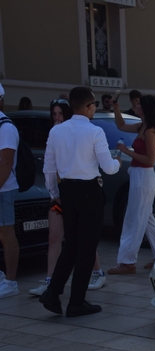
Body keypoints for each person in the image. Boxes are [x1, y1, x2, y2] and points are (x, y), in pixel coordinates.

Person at [40, 86, 121, 317]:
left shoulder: (56, 132)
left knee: (72, 244)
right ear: (88, 107)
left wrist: (54, 193)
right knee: (86, 247)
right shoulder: (95, 132)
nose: (95, 108)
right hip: (89, 191)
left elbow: (49, 168)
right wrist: (118, 163)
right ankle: (76, 301)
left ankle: (53, 292)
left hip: (67, 190)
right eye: (94, 104)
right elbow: (108, 168)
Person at [28, 99, 108, 297]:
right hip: (59, 197)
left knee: (83, 238)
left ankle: (97, 272)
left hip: (74, 195)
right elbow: (49, 168)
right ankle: (50, 280)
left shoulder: (76, 134)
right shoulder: (56, 135)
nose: (57, 118)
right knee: (56, 236)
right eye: (53, 114)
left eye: (60, 114)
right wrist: (54, 195)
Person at [108, 95, 155, 275]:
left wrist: (126, 152)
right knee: (147, 219)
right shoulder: (142, 127)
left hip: (143, 177)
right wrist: (116, 109)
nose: (136, 106)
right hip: (140, 176)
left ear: (146, 109)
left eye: (139, 104)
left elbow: (150, 160)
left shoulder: (150, 131)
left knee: (133, 219)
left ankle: (127, 261)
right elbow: (121, 126)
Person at [0, 83, 20, 298]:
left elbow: (6, 163)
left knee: (7, 235)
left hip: (3, 189)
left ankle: (11, 281)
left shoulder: (5, 127)